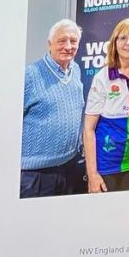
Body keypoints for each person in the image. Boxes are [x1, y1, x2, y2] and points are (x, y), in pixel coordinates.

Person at [83, 18, 129, 192]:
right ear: (115, 42)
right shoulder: (102, 77)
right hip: (106, 166)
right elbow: (88, 129)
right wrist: (92, 174)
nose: (128, 43)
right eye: (122, 38)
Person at [20, 19, 85, 198]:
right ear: (50, 44)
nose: (68, 46)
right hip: (34, 174)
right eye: (62, 41)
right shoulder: (30, 75)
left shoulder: (76, 70)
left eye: (73, 41)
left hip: (69, 167)